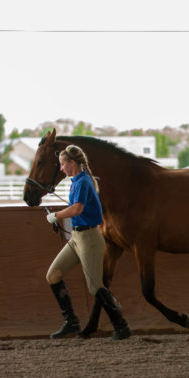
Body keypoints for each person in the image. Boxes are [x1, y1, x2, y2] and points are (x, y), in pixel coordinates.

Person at [45, 144, 132, 340]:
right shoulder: (77, 181)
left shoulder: (83, 182)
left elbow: (76, 209)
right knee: (53, 275)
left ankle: (121, 326)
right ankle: (71, 322)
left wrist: (56, 216)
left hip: (90, 239)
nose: (60, 169)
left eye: (62, 164)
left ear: (72, 163)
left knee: (96, 287)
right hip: (77, 238)